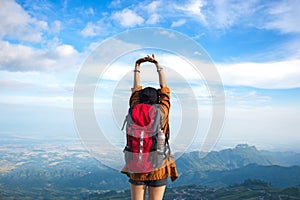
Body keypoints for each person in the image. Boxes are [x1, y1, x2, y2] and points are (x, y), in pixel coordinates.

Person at [121, 54, 178, 200]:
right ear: (158, 99)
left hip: (136, 164)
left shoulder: (134, 108)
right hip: (159, 165)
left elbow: (135, 90)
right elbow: (165, 90)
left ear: (139, 98)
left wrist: (137, 67)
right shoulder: (162, 111)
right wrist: (158, 66)